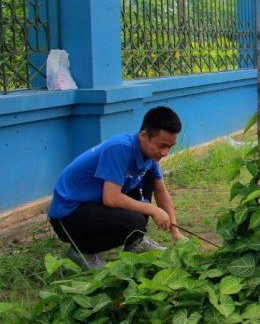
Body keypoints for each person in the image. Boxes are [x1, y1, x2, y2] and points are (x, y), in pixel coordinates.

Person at [48, 106, 185, 270]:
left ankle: (136, 242)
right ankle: (81, 253)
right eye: (161, 146)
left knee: (148, 179)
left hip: (94, 205)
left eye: (170, 146)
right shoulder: (119, 148)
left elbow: (161, 192)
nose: (165, 153)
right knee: (133, 221)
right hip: (69, 216)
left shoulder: (149, 156)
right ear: (143, 136)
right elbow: (111, 198)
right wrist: (152, 209)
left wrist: (175, 232)